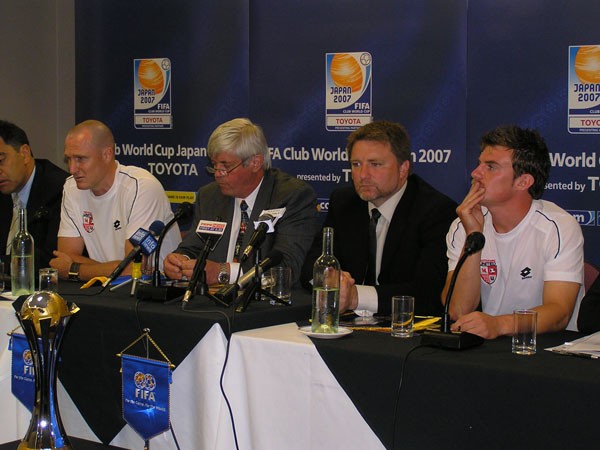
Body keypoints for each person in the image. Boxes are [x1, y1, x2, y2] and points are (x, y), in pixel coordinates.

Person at [300, 120, 457, 316]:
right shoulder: (344, 203)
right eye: (356, 164)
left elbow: (429, 292)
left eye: (375, 164)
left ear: (403, 169)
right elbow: (310, 267)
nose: (363, 175)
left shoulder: (436, 212)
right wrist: (330, 279)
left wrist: (356, 296)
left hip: (406, 331)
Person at [444, 125, 583, 339]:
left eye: (490, 167)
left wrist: (499, 325)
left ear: (523, 181)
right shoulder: (463, 225)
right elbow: (458, 310)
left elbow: (559, 312)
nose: (475, 173)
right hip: (492, 347)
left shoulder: (558, 226)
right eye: (479, 164)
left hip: (549, 348)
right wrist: (473, 233)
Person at [164, 118, 319, 286]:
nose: (217, 174)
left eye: (225, 166)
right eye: (214, 165)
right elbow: (194, 246)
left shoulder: (291, 197)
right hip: (209, 305)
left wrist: (224, 273)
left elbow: (287, 267)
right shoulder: (209, 196)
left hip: (264, 306)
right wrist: (180, 260)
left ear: (255, 163)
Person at [50, 120, 181, 281]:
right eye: (68, 159)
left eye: (80, 159)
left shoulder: (141, 186)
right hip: (107, 288)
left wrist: (76, 270)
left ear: (107, 154)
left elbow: (134, 268)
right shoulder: (71, 187)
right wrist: (110, 269)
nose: (72, 169)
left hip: (156, 292)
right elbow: (66, 256)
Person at [0, 119, 69, 273]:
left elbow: (50, 258)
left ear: (24, 154)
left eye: (1, 161)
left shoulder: (61, 189)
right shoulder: (4, 188)